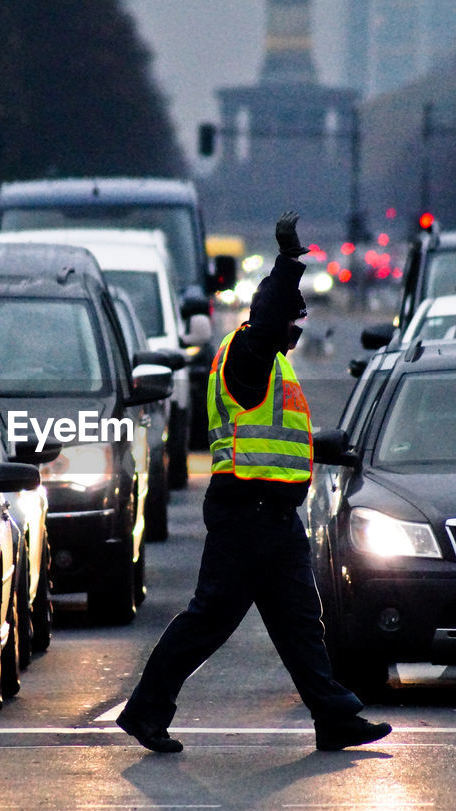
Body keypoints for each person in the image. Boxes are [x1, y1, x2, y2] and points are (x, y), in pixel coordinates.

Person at [116, 212, 392, 753]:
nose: (298, 330)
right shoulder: (247, 353)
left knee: (300, 623)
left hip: (273, 515)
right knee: (210, 620)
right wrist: (288, 263)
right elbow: (267, 325)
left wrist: (322, 445)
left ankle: (334, 718)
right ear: (274, 319)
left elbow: (274, 437)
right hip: (245, 512)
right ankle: (146, 711)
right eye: (294, 320)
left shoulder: (272, 367)